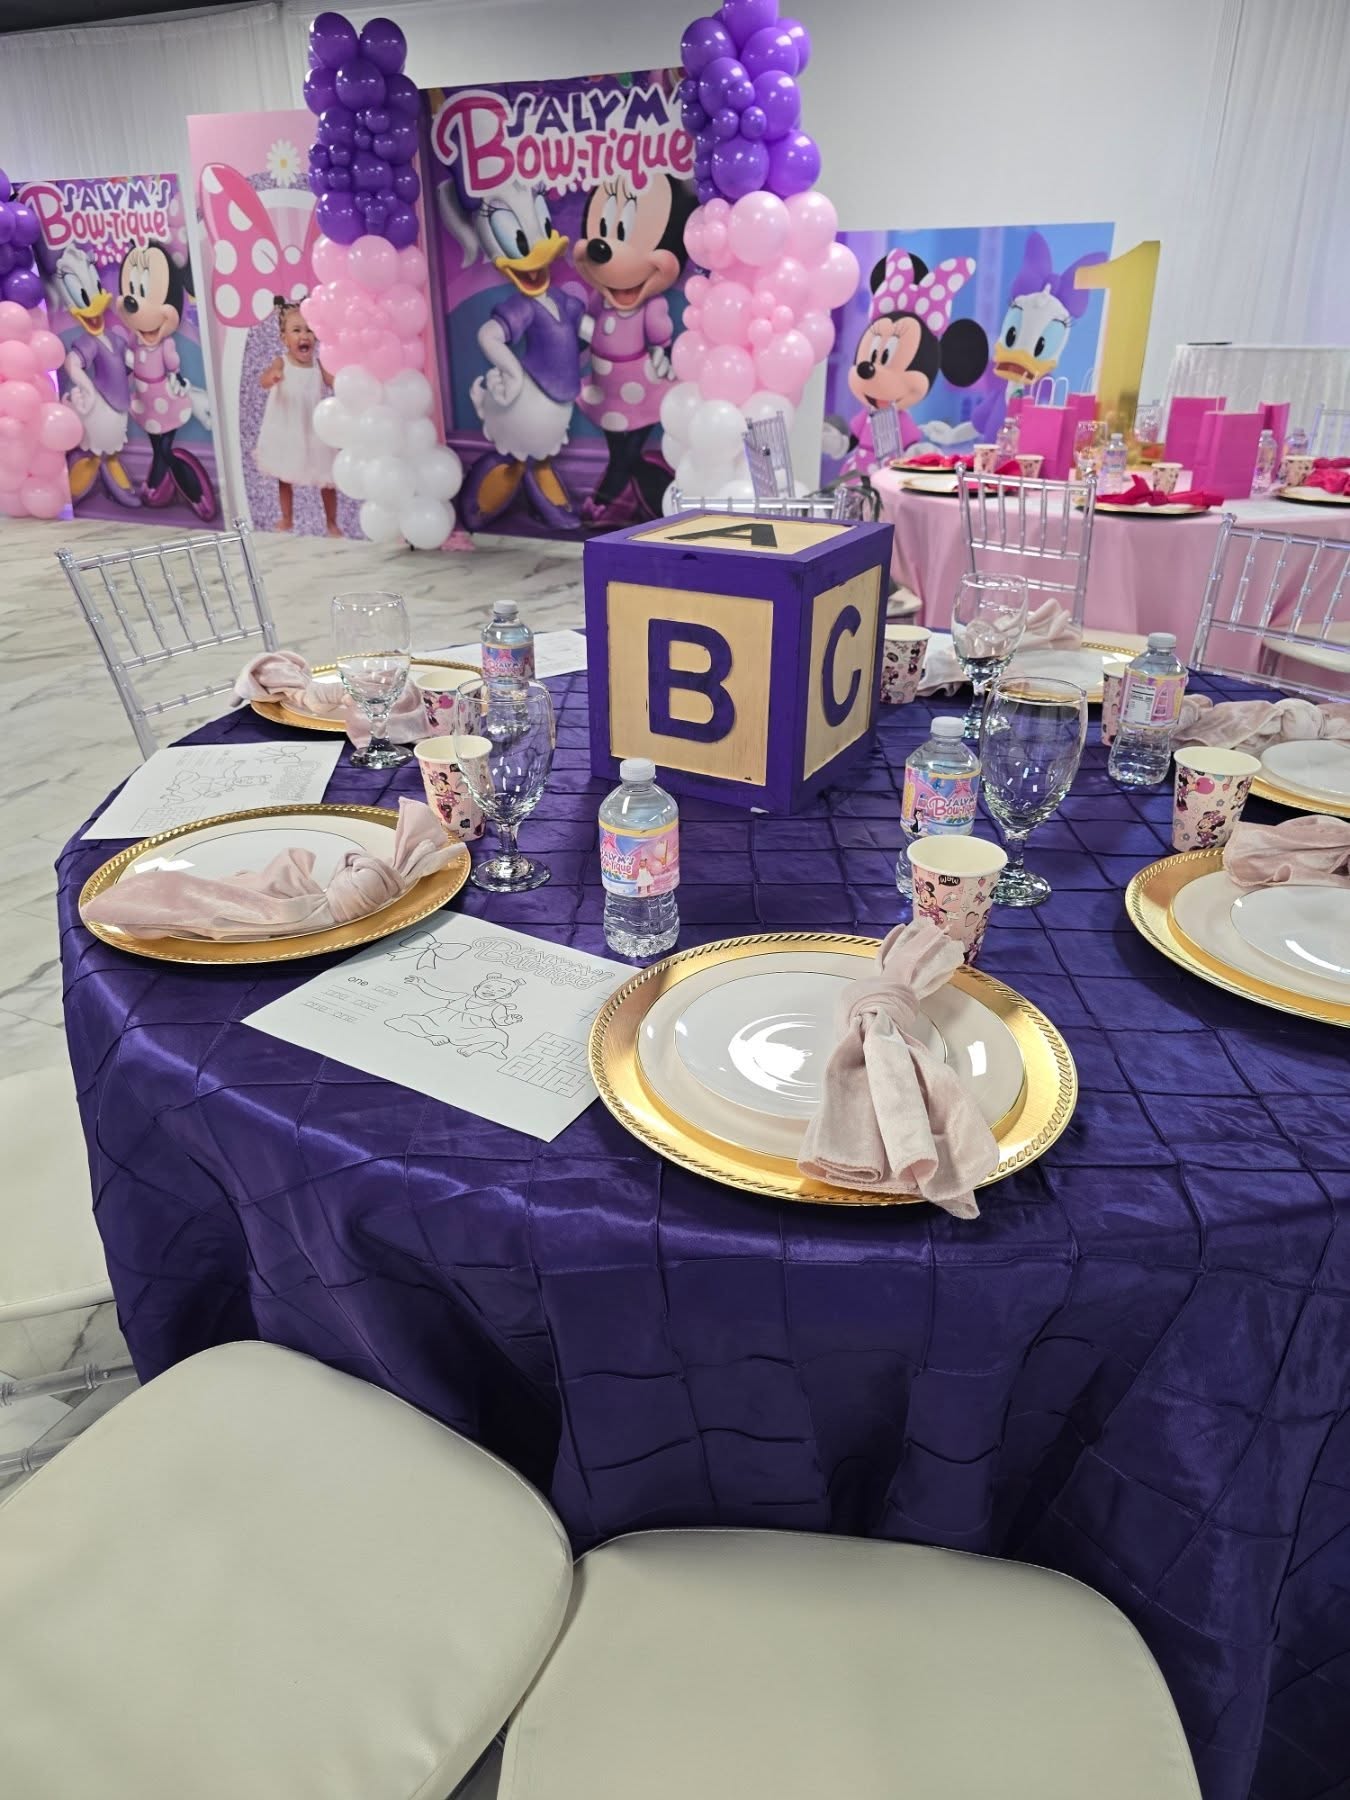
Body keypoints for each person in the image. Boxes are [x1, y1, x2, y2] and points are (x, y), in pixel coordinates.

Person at [255, 298, 339, 535]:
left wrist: (345, 380)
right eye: (297, 330)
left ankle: (332, 522)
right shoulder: (281, 362)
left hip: (314, 429)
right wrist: (272, 377)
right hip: (288, 428)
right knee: (285, 477)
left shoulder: (318, 365)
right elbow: (264, 380)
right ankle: (287, 518)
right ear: (284, 338)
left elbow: (333, 381)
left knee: (327, 479)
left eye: (309, 330)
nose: (304, 335)